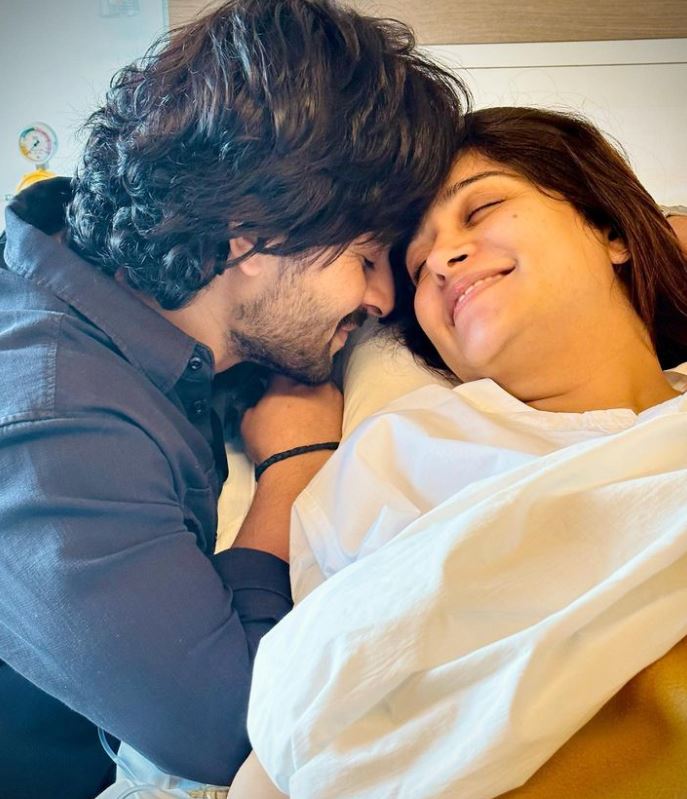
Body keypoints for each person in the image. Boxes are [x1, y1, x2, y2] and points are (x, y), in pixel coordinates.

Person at [0, 1, 469, 796]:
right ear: (249, 232)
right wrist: (292, 467)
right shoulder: (54, 424)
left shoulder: (123, 279)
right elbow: (235, 731)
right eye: (364, 260)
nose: (383, 298)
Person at [240, 107, 687, 798]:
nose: (443, 259)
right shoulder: (398, 456)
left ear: (610, 230)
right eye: (417, 266)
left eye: (481, 209)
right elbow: (310, 710)